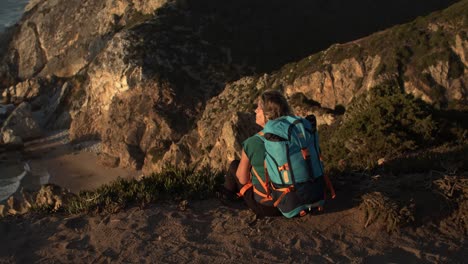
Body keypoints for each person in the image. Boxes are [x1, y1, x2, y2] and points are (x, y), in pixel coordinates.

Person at [223, 90, 293, 217]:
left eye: (259, 108)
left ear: (267, 114)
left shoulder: (253, 142)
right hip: (298, 199)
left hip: (270, 207)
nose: (255, 111)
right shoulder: (295, 134)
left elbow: (242, 179)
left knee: (234, 165)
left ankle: (226, 198)